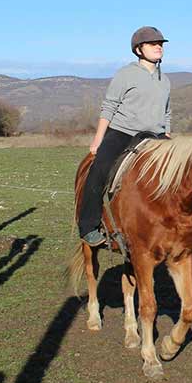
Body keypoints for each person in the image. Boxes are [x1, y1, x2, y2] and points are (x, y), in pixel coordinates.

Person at [77, 26, 171, 246]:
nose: (159, 46)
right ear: (139, 49)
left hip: (155, 137)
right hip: (123, 133)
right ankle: (88, 227)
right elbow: (109, 106)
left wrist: (167, 132)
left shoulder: (165, 80)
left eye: (161, 44)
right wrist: (98, 139)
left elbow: (167, 111)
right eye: (153, 43)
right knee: (98, 169)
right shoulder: (125, 74)